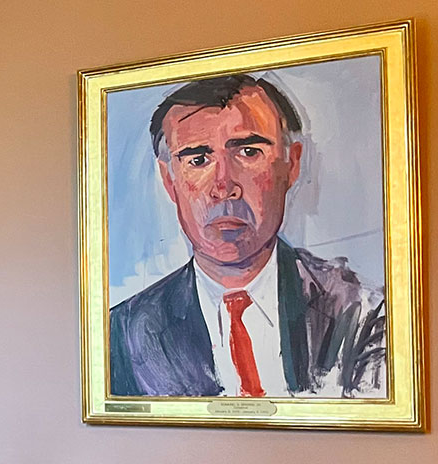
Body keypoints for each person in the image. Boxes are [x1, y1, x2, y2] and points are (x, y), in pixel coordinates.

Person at [110, 73, 386, 398]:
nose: (224, 186)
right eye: (198, 160)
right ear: (169, 179)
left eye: (248, 153)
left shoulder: (361, 314)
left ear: (291, 164)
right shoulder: (124, 333)